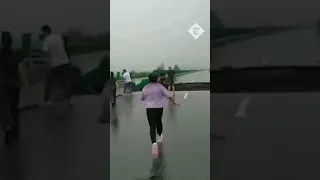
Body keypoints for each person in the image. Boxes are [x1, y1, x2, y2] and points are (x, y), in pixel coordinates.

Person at [141, 73, 180, 158]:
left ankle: (154, 144)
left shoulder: (145, 87)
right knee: (159, 122)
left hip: (149, 109)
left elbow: (142, 98)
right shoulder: (160, 87)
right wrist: (175, 103)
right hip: (159, 108)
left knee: (152, 126)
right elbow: (169, 96)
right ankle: (159, 137)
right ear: (156, 79)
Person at [40, 25, 71, 105]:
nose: (42, 34)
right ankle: (68, 100)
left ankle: (47, 101)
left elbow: (45, 53)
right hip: (65, 62)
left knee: (48, 82)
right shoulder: (58, 37)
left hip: (55, 64)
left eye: (43, 32)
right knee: (66, 82)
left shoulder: (46, 40)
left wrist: (46, 62)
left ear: (45, 32)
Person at [0, 31, 21, 143]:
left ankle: (8, 129)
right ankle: (15, 132)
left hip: (4, 85)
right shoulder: (15, 55)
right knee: (14, 108)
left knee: (4, 109)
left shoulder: (1, 55)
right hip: (15, 84)